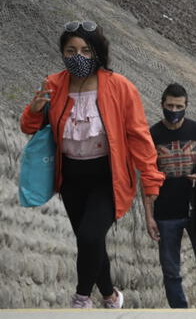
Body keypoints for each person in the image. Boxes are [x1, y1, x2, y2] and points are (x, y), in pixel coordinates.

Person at [20, 20, 165, 308]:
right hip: (71, 177)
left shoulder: (120, 87)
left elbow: (140, 139)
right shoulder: (53, 84)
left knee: (88, 236)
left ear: (98, 52)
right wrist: (34, 110)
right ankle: (111, 296)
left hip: (107, 178)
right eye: (71, 50)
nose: (78, 57)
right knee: (90, 241)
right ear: (62, 53)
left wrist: (150, 183)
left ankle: (81, 298)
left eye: (86, 51)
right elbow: (29, 126)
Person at [143, 83, 196, 308]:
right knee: (171, 272)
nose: (174, 110)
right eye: (170, 105)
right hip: (165, 213)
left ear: (187, 106)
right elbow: (146, 179)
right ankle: (180, 312)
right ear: (162, 105)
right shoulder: (152, 135)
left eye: (179, 106)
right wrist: (149, 216)